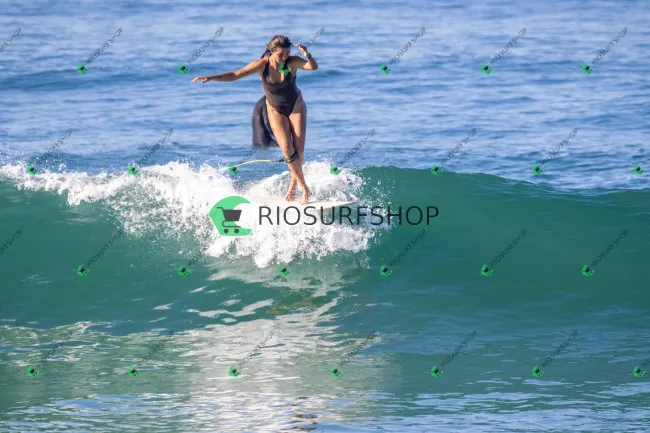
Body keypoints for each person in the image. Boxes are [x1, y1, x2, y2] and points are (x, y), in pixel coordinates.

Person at [192, 35, 318, 204]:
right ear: (272, 51)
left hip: (296, 106)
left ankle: (294, 186)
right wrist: (212, 77)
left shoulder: (292, 62)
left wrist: (307, 55)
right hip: (275, 110)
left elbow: (312, 67)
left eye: (287, 53)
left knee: (299, 151)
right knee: (287, 149)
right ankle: (305, 189)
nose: (284, 57)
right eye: (281, 54)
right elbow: (236, 74)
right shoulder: (262, 65)